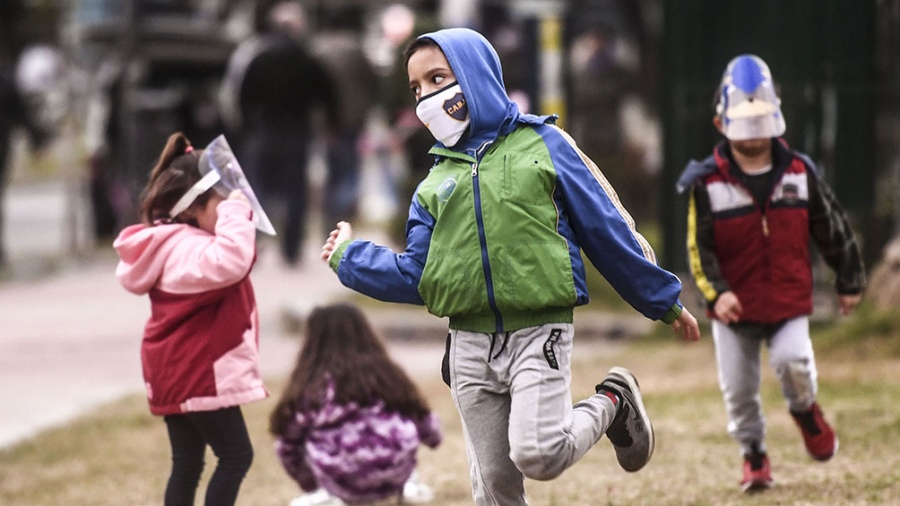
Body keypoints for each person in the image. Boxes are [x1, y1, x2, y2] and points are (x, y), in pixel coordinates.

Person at [321, 28, 701, 506]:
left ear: (476, 76)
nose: (426, 99)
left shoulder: (545, 144)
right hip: (468, 348)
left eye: (438, 79)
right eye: (417, 88)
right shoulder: (433, 185)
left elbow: (606, 227)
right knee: (495, 485)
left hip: (538, 332)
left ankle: (613, 402)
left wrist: (662, 299)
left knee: (539, 454)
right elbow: (419, 276)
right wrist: (348, 258)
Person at [676, 54, 866, 493]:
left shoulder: (800, 173)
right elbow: (697, 249)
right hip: (733, 309)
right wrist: (716, 293)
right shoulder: (707, 184)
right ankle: (754, 456)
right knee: (739, 391)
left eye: (761, 123)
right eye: (744, 125)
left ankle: (805, 411)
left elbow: (830, 224)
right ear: (721, 124)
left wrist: (849, 278)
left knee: (792, 361)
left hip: (787, 299)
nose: (754, 136)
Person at [113, 132, 267, 505]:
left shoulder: (175, 245)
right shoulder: (184, 249)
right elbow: (232, 262)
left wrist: (227, 210)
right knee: (235, 456)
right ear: (189, 209)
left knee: (188, 463)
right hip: (196, 372)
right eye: (223, 200)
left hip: (182, 370)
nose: (234, 205)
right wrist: (235, 212)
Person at [270, 302, 442, 506]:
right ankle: (406, 488)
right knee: (397, 434)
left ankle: (331, 495)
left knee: (307, 440)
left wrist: (310, 482)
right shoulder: (386, 375)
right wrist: (432, 438)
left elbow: (287, 446)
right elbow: (422, 418)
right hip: (394, 472)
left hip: (339, 476)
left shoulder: (311, 386)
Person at [220, 0, 337, 266]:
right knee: (295, 192)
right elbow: (327, 95)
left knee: (257, 191)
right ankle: (291, 250)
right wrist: (331, 124)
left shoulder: (259, 59)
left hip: (264, 132)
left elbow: (242, 97)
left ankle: (254, 244)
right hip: (297, 133)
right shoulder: (307, 60)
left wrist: (246, 126)